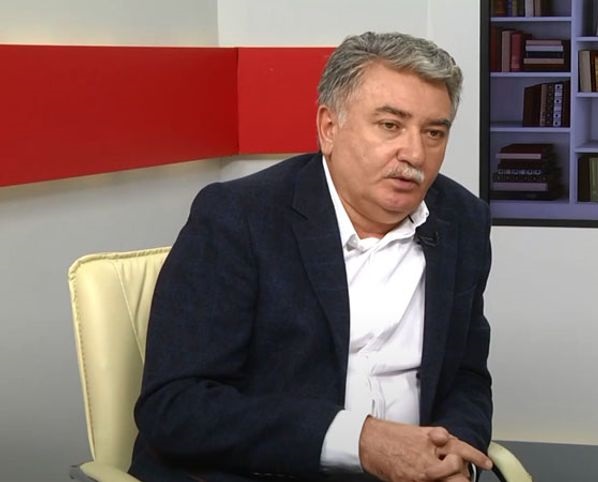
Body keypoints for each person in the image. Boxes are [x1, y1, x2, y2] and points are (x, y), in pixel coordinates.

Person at [129, 31, 493, 482]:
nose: (415, 153)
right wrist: (359, 441)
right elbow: (176, 406)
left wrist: (454, 457)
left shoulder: (462, 220)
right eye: (390, 125)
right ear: (329, 128)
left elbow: (466, 377)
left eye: (434, 132)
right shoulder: (239, 217)